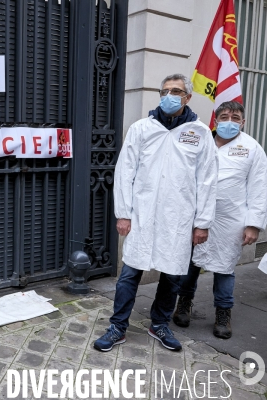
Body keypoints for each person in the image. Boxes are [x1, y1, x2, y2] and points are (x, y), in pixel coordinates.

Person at [93, 73, 218, 352]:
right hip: (142, 215)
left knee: (172, 275)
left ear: (188, 97)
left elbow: (208, 180)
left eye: (176, 91)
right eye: (164, 91)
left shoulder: (199, 133)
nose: (169, 95)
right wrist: (123, 213)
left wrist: (202, 223)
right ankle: (118, 326)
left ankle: (159, 323)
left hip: (179, 218)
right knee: (129, 274)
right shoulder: (141, 129)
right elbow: (125, 172)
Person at [172, 101, 267, 339]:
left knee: (224, 269)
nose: (230, 122)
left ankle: (223, 314)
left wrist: (253, 224)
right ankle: (184, 304)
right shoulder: (201, 141)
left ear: (243, 122)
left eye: (235, 118)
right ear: (215, 120)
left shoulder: (252, 148)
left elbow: (259, 188)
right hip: (195, 215)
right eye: (224, 117)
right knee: (190, 264)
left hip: (231, 220)